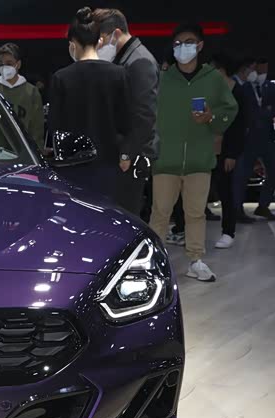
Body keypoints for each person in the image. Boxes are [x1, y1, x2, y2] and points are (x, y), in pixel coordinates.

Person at [149, 23, 238, 283]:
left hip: (199, 159)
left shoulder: (213, 79)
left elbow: (229, 109)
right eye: (177, 44)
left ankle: (196, 260)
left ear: (199, 46)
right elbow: (146, 111)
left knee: (196, 213)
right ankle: (153, 262)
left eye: (188, 42)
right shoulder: (163, 78)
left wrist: (212, 118)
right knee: (160, 212)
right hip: (165, 159)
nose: (182, 48)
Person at [48, 7, 131, 203]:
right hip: (109, 164)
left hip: (73, 166)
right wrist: (124, 155)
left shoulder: (61, 77)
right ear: (99, 41)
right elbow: (126, 121)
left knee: (75, 216)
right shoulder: (118, 74)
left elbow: (55, 127)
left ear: (73, 43)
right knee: (106, 215)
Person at [93, 8, 159, 216]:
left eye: (101, 39)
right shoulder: (124, 58)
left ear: (116, 33)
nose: (98, 45)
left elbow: (144, 115)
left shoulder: (139, 61)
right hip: (121, 155)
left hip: (130, 157)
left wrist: (126, 154)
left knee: (125, 216)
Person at [208, 52, 247, 249]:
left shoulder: (237, 91)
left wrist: (231, 154)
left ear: (221, 69)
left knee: (226, 191)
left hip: (225, 151)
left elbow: (239, 127)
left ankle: (228, 231)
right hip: (206, 149)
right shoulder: (209, 88)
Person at [232, 56, 275, 221]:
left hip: (267, 138)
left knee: (273, 171)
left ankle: (263, 205)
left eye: (265, 70)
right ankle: (237, 209)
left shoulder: (271, 87)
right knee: (242, 175)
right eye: (259, 69)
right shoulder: (241, 88)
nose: (262, 72)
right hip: (247, 139)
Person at [0, 43, 44, 149]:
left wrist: (37, 151)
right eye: (1, 64)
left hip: (22, 151)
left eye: (9, 63)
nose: (4, 67)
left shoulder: (31, 92)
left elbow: (37, 128)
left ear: (18, 64)